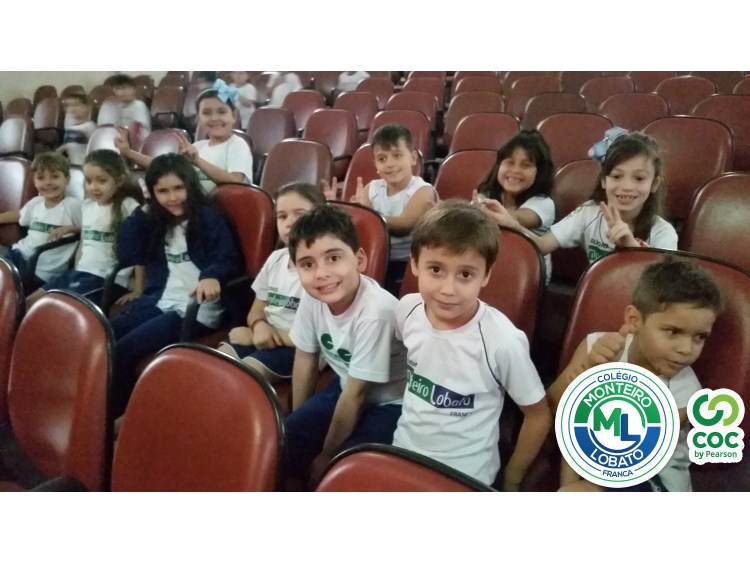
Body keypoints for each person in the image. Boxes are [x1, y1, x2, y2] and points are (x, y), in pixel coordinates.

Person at [391, 200, 551, 489]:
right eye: (435, 269)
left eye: (465, 274)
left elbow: (538, 416)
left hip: (466, 473)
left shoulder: (502, 341)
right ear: (414, 264)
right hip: (402, 452)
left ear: (486, 274)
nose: (448, 289)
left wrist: (512, 479)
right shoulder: (407, 310)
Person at [547, 256, 723, 492]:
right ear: (634, 320)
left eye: (699, 337)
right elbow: (554, 406)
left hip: (653, 478)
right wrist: (587, 372)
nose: (686, 349)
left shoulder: (686, 392)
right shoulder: (596, 346)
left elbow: (629, 453)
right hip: (599, 457)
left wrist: (583, 488)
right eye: (673, 332)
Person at [109, 153, 241, 417]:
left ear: (190, 185)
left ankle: (119, 416)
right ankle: (102, 403)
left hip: (195, 308)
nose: (172, 198)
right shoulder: (158, 220)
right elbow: (128, 254)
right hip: (161, 298)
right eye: (163, 191)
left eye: (178, 188)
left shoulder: (208, 218)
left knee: (124, 349)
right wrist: (144, 210)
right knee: (106, 332)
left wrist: (212, 275)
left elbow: (228, 258)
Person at [285, 205, 408, 486]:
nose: (321, 273)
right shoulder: (314, 297)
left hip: (390, 402)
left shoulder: (377, 312)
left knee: (347, 466)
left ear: (360, 260)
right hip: (344, 384)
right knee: (288, 437)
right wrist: (301, 416)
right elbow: (305, 358)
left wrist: (327, 453)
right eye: (307, 264)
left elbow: (358, 392)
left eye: (333, 258)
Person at [479, 131, 678, 264]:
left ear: (654, 184)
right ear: (603, 180)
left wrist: (632, 248)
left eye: (639, 178)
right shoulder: (588, 212)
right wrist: (512, 224)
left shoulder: (663, 233)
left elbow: (664, 289)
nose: (627, 186)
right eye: (616, 176)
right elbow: (542, 245)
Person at [218, 182, 326, 381]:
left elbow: (319, 335)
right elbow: (256, 310)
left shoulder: (325, 271)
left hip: (301, 348)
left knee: (244, 376)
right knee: (217, 362)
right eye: (282, 216)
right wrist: (258, 325)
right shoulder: (276, 258)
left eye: (299, 214)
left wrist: (255, 337)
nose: (289, 223)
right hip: (266, 335)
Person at [324, 123, 437, 295]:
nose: (390, 164)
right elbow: (359, 229)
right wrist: (336, 207)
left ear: (413, 158)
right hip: (371, 256)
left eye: (397, 155)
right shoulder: (372, 188)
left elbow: (404, 225)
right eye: (382, 159)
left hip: (406, 264)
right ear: (375, 164)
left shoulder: (423, 190)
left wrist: (367, 215)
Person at [25, 149, 144, 308]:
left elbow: (140, 251)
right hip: (79, 273)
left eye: (101, 181)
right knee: (28, 304)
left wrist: (138, 289)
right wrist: (76, 270)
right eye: (88, 181)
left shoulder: (128, 206)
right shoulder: (87, 206)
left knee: (55, 308)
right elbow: (83, 243)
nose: (93, 187)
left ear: (119, 180)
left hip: (106, 279)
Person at [116, 79, 254, 195]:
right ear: (199, 119)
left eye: (221, 112)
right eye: (206, 113)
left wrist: (197, 161)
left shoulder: (237, 144)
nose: (214, 118)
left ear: (233, 116)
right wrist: (129, 152)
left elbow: (236, 181)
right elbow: (166, 166)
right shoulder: (198, 146)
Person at [473, 129, 555, 282]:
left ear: (540, 173)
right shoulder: (487, 195)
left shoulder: (544, 203)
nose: (515, 170)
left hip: (527, 277)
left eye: (526, 165)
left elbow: (515, 218)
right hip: (491, 268)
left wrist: (475, 213)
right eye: (509, 162)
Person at [0, 152, 81, 292]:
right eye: (41, 178)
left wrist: (70, 228)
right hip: (19, 254)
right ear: (34, 181)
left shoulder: (72, 205)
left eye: (55, 177)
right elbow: (19, 216)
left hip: (43, 269)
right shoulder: (36, 202)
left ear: (67, 179)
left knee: (8, 289)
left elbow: (88, 228)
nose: (48, 182)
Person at [103, 74, 151, 141]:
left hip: (135, 142)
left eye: (125, 88)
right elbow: (104, 130)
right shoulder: (108, 106)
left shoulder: (139, 106)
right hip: (112, 140)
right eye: (118, 88)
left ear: (133, 89)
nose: (122, 92)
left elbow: (144, 132)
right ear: (114, 90)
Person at [57, 92, 96, 166]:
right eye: (68, 105)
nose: (72, 109)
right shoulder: (70, 128)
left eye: (76, 105)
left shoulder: (90, 127)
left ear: (87, 107)